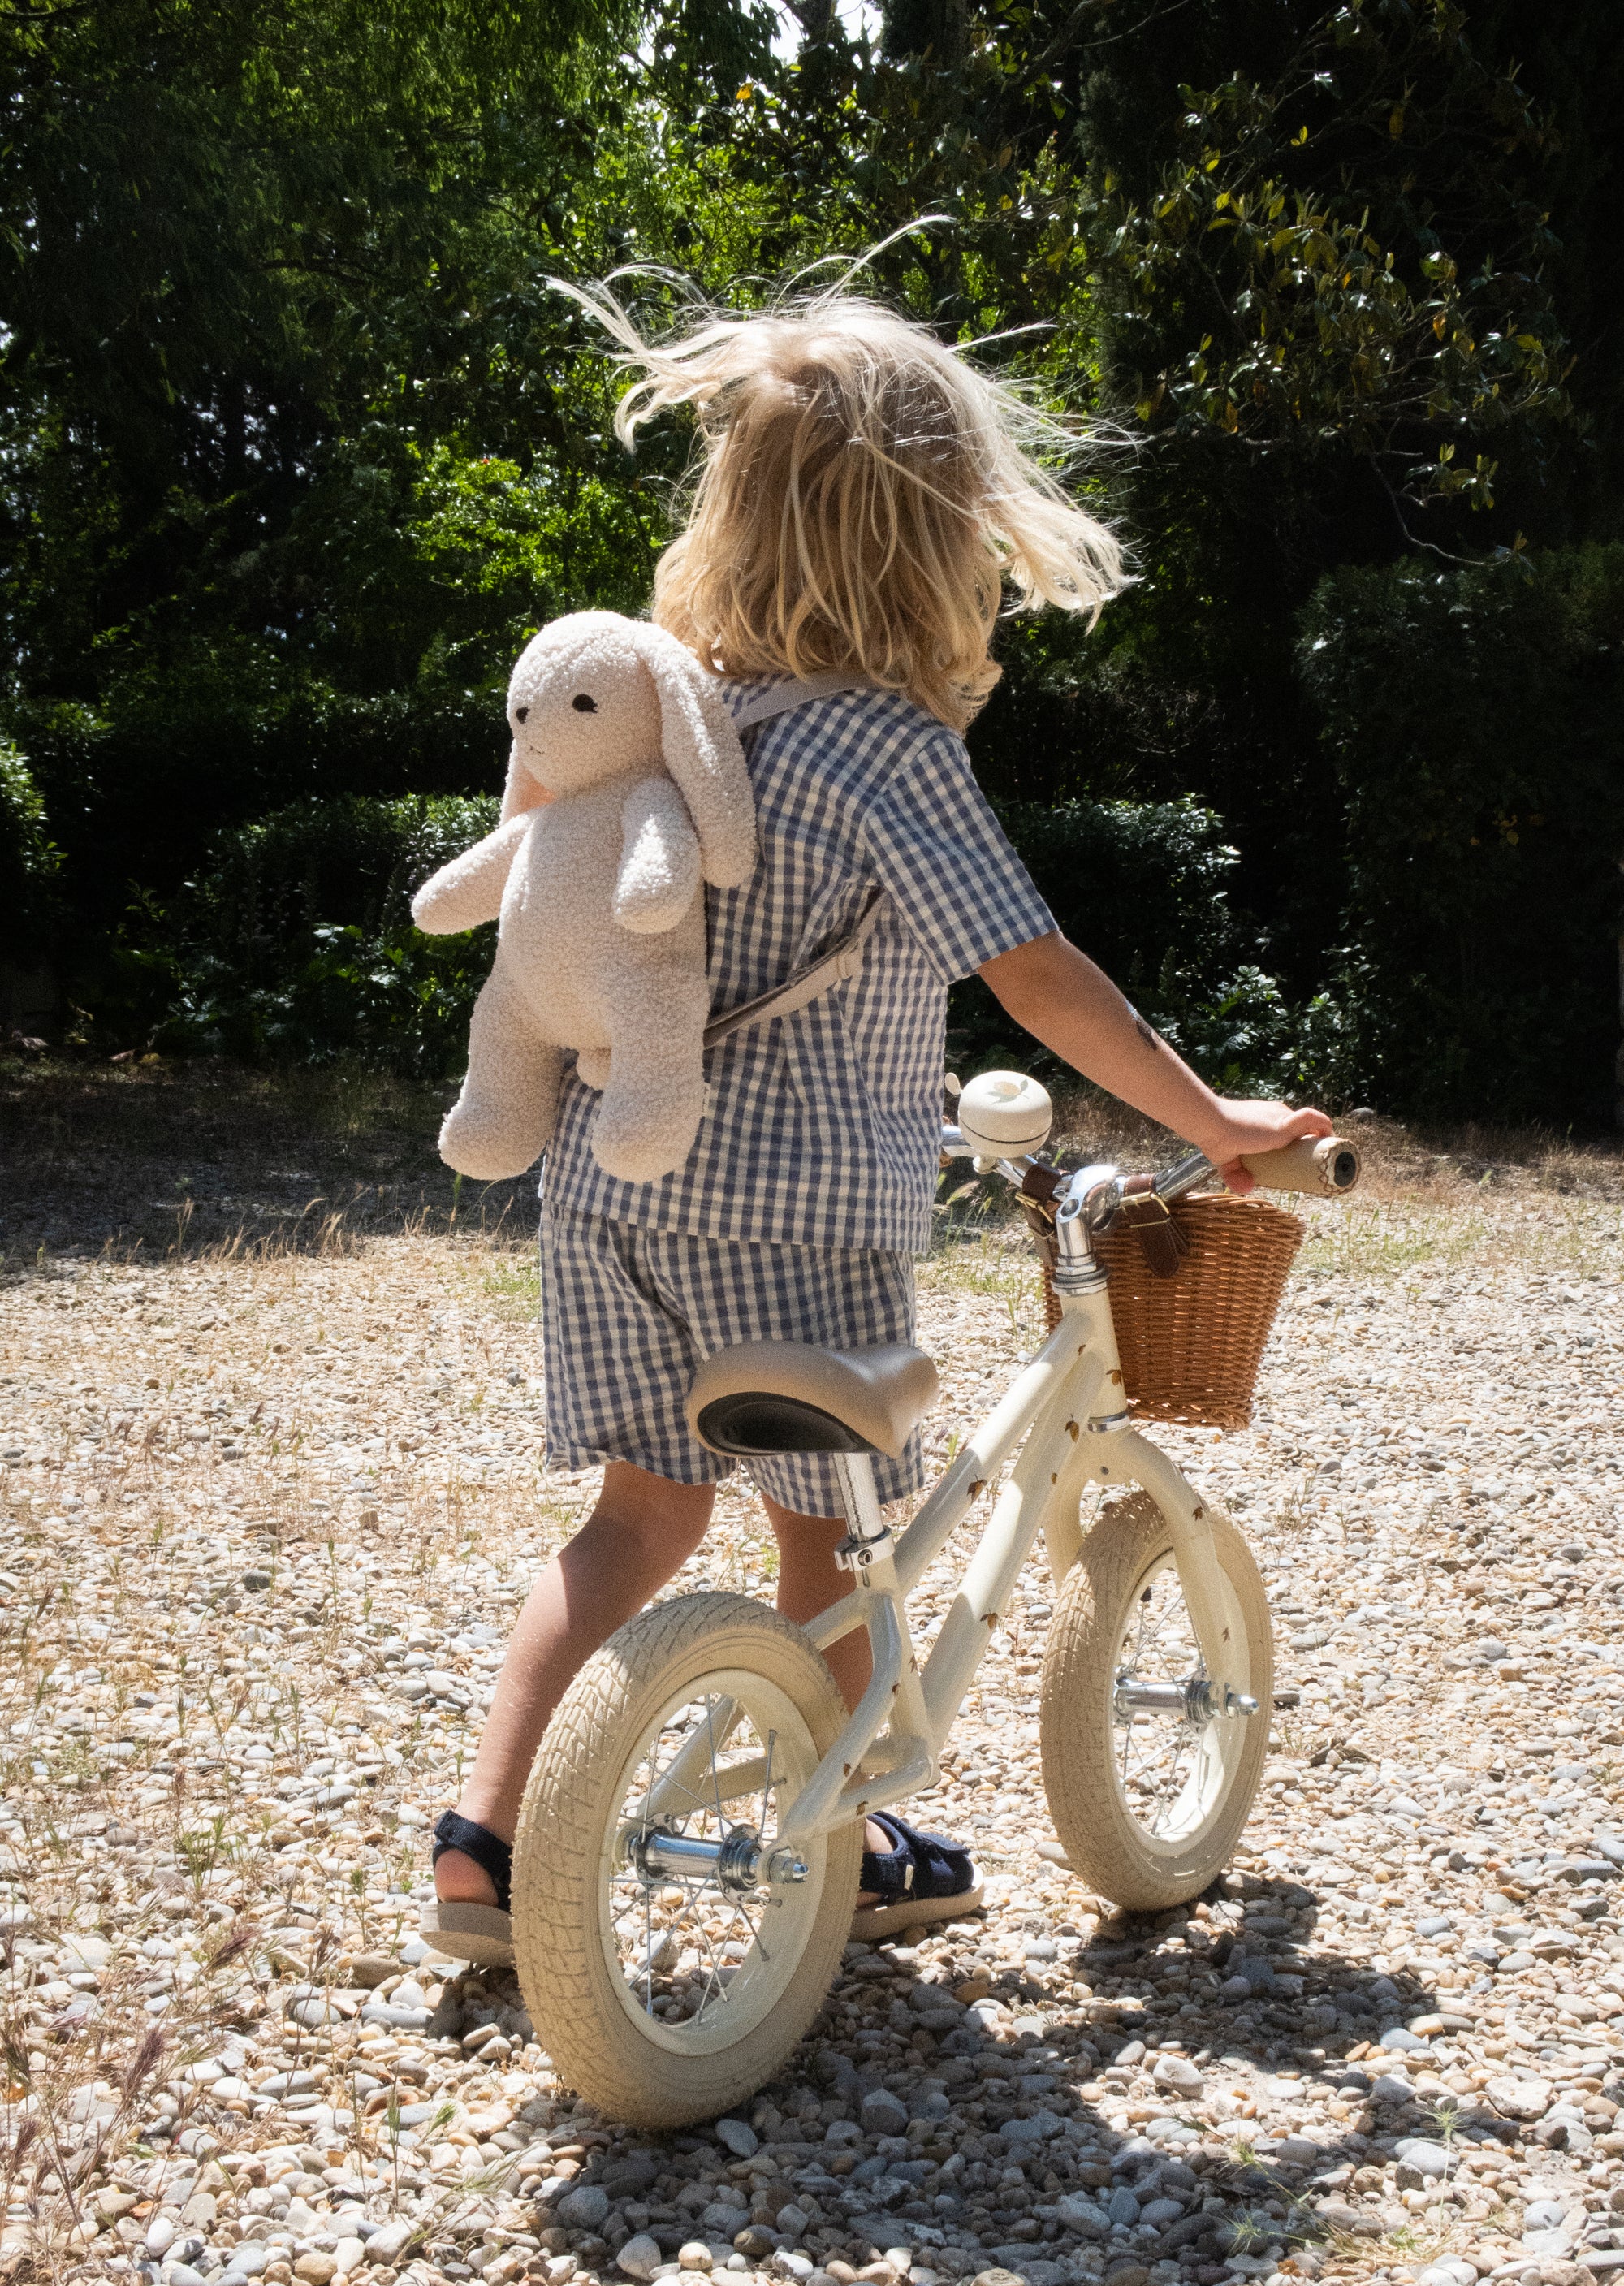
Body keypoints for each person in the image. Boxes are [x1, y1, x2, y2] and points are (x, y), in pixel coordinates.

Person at [423, 280, 1329, 1963]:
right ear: (935, 541)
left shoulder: (679, 714)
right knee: (828, 1531)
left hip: (610, 1196)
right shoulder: (884, 747)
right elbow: (1034, 972)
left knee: (632, 1521)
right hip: (790, 1223)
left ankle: (481, 1845)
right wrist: (1213, 1119)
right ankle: (828, 1846)